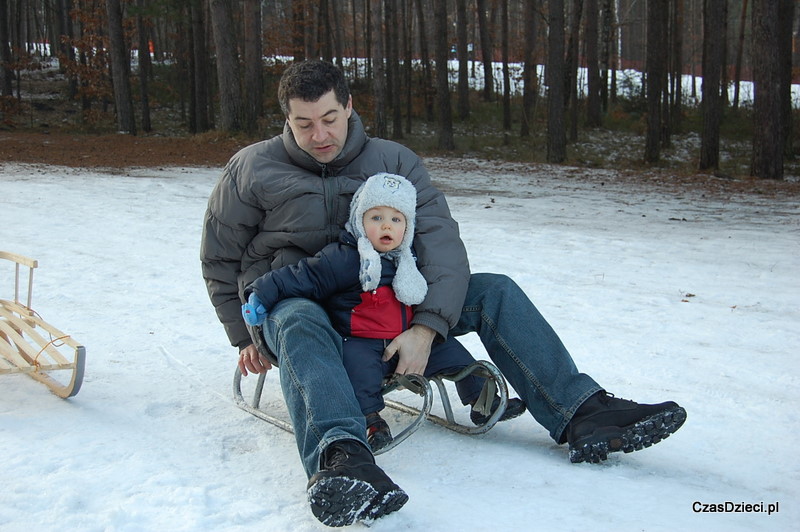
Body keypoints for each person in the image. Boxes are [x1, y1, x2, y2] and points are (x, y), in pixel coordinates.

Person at [200, 60, 686, 527]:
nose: (320, 135)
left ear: (349, 106)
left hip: (391, 296)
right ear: (287, 118)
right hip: (298, 299)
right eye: (304, 124)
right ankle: (341, 458)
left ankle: (581, 412)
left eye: (329, 118)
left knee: (494, 291)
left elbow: (442, 246)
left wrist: (427, 326)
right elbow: (220, 256)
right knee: (298, 319)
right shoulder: (252, 168)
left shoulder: (393, 161)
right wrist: (243, 333)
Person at [239, 172, 526, 452]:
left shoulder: (409, 260)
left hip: (405, 338)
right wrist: (260, 295)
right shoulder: (345, 258)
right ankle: (370, 421)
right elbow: (301, 277)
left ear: (407, 227)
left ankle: (481, 403)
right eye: (376, 218)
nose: (386, 226)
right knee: (358, 375)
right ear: (359, 221)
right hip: (360, 341)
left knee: (455, 354)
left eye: (395, 219)